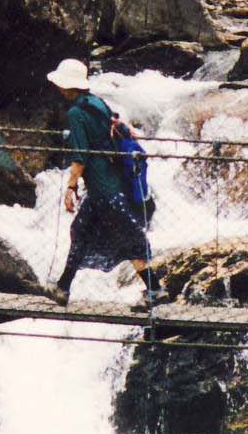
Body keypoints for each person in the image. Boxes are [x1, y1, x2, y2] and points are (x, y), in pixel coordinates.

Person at [43, 59, 164, 306]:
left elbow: (80, 157)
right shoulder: (97, 103)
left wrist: (70, 187)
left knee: (129, 240)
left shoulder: (76, 113)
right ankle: (63, 288)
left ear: (67, 86)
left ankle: (156, 290)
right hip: (110, 184)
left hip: (105, 190)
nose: (58, 89)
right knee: (82, 232)